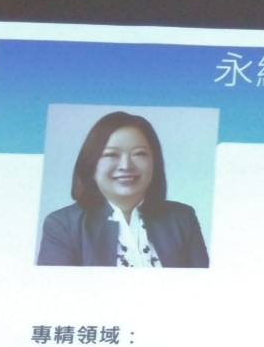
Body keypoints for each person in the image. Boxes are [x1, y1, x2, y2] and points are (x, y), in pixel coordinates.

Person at [37, 111, 209, 268]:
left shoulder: (183, 218)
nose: (126, 166)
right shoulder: (63, 226)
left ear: (154, 163)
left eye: (139, 154)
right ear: (91, 166)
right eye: (111, 154)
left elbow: (205, 286)